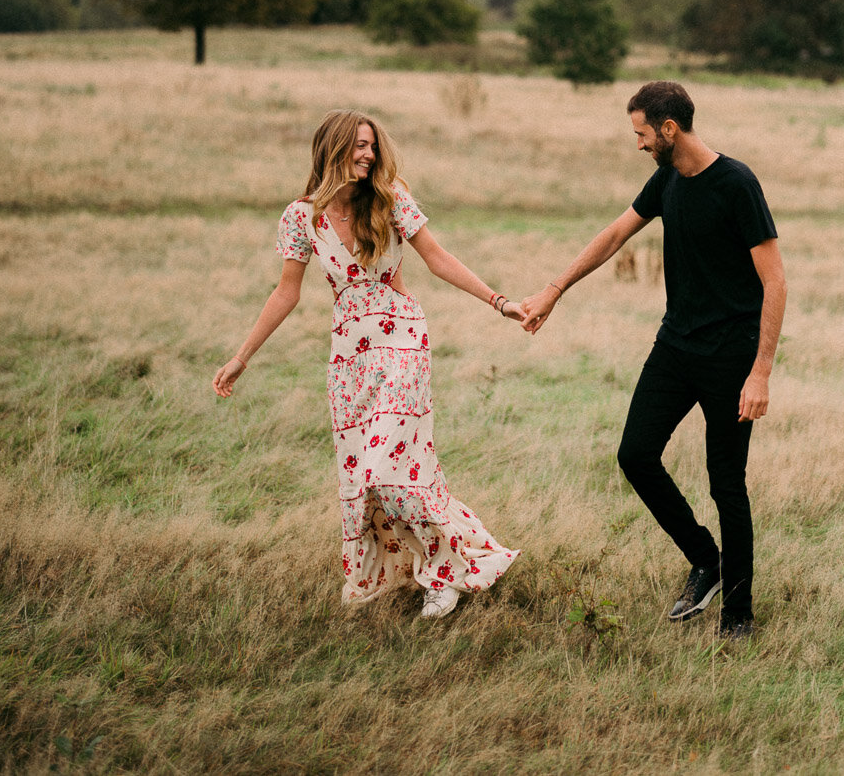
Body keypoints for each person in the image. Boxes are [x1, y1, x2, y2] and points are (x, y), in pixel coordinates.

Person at [213, 109, 521, 620]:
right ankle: (428, 567)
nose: (369, 154)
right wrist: (241, 357)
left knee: (391, 467)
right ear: (332, 148)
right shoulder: (301, 217)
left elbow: (438, 259)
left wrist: (499, 301)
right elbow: (286, 292)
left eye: (372, 146)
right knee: (365, 480)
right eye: (359, 145)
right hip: (349, 356)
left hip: (402, 337)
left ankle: (444, 576)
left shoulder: (391, 198)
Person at [519, 81, 786, 642]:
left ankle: (738, 613)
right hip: (676, 347)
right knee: (636, 455)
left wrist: (760, 371)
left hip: (731, 357)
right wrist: (554, 289)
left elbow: (775, 279)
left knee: (726, 484)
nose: (637, 144)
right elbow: (617, 232)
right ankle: (704, 559)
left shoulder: (736, 184)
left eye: (641, 133)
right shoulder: (667, 179)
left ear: (669, 129)